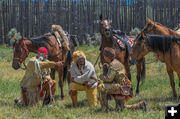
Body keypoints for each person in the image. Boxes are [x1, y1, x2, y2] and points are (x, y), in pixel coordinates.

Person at [98, 47, 147, 112]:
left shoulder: (113, 64)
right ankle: (140, 105)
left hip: (122, 87)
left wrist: (101, 76)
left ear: (106, 57)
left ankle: (105, 110)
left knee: (101, 87)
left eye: (104, 55)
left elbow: (109, 79)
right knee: (121, 108)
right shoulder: (114, 62)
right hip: (124, 87)